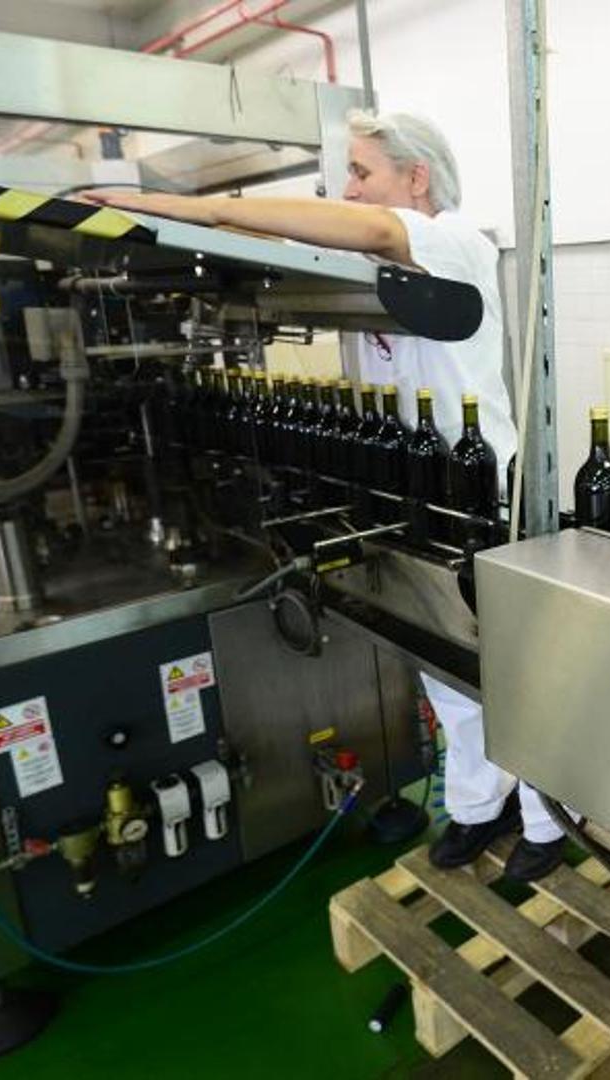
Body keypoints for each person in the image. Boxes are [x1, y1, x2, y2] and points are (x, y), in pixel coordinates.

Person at [87, 110, 568, 882]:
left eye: (362, 172)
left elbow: (372, 229)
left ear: (416, 177)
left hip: (474, 488)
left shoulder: (456, 242)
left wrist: (193, 208)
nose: (348, 190)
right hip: (399, 484)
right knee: (440, 662)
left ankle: (548, 821)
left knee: (512, 665)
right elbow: (312, 243)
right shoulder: (366, 266)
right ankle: (483, 805)